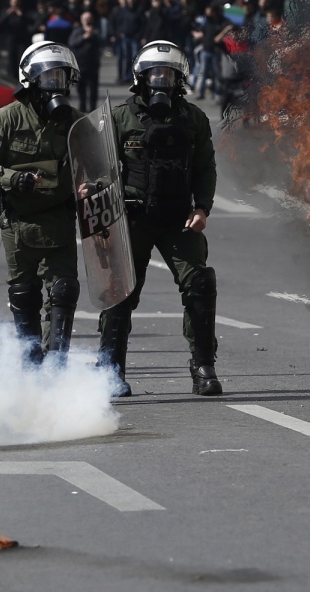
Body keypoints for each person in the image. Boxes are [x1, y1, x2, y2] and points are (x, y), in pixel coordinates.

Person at [93, 40, 222, 397]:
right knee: (119, 292)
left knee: (200, 284)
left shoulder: (194, 119)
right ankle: (109, 370)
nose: (161, 80)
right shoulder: (120, 117)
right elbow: (99, 166)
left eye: (169, 74)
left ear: (179, 78)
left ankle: (203, 367)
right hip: (131, 218)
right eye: (155, 74)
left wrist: (202, 208)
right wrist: (98, 200)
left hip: (179, 218)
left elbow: (205, 167)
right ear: (142, 77)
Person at [0, 41, 84, 367]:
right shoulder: (6, 119)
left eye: (61, 77)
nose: (55, 85)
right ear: (31, 80)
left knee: (63, 291)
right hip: (19, 222)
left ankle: (56, 365)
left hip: (60, 220)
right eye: (49, 78)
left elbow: (97, 167)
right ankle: (30, 363)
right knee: (24, 293)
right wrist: (11, 178)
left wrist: (89, 186)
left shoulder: (76, 121)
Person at [68, 11, 102, 112]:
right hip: (80, 65)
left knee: (93, 90)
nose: (88, 20)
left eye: (89, 18)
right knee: (81, 88)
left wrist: (92, 34)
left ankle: (93, 108)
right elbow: (72, 42)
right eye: (85, 18)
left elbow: (102, 42)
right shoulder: (77, 31)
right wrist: (83, 37)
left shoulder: (96, 32)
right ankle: (82, 108)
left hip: (93, 65)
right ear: (82, 20)